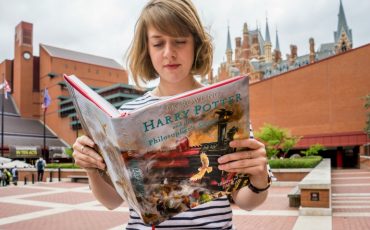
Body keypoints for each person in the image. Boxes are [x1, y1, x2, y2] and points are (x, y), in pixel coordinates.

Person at [72, 0, 271, 229]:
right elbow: (112, 201)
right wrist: (92, 169)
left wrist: (259, 178)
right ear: (147, 49)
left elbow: (246, 202)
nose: (169, 53)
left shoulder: (226, 107)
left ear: (196, 45)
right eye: (158, 44)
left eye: (179, 41)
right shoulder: (126, 117)